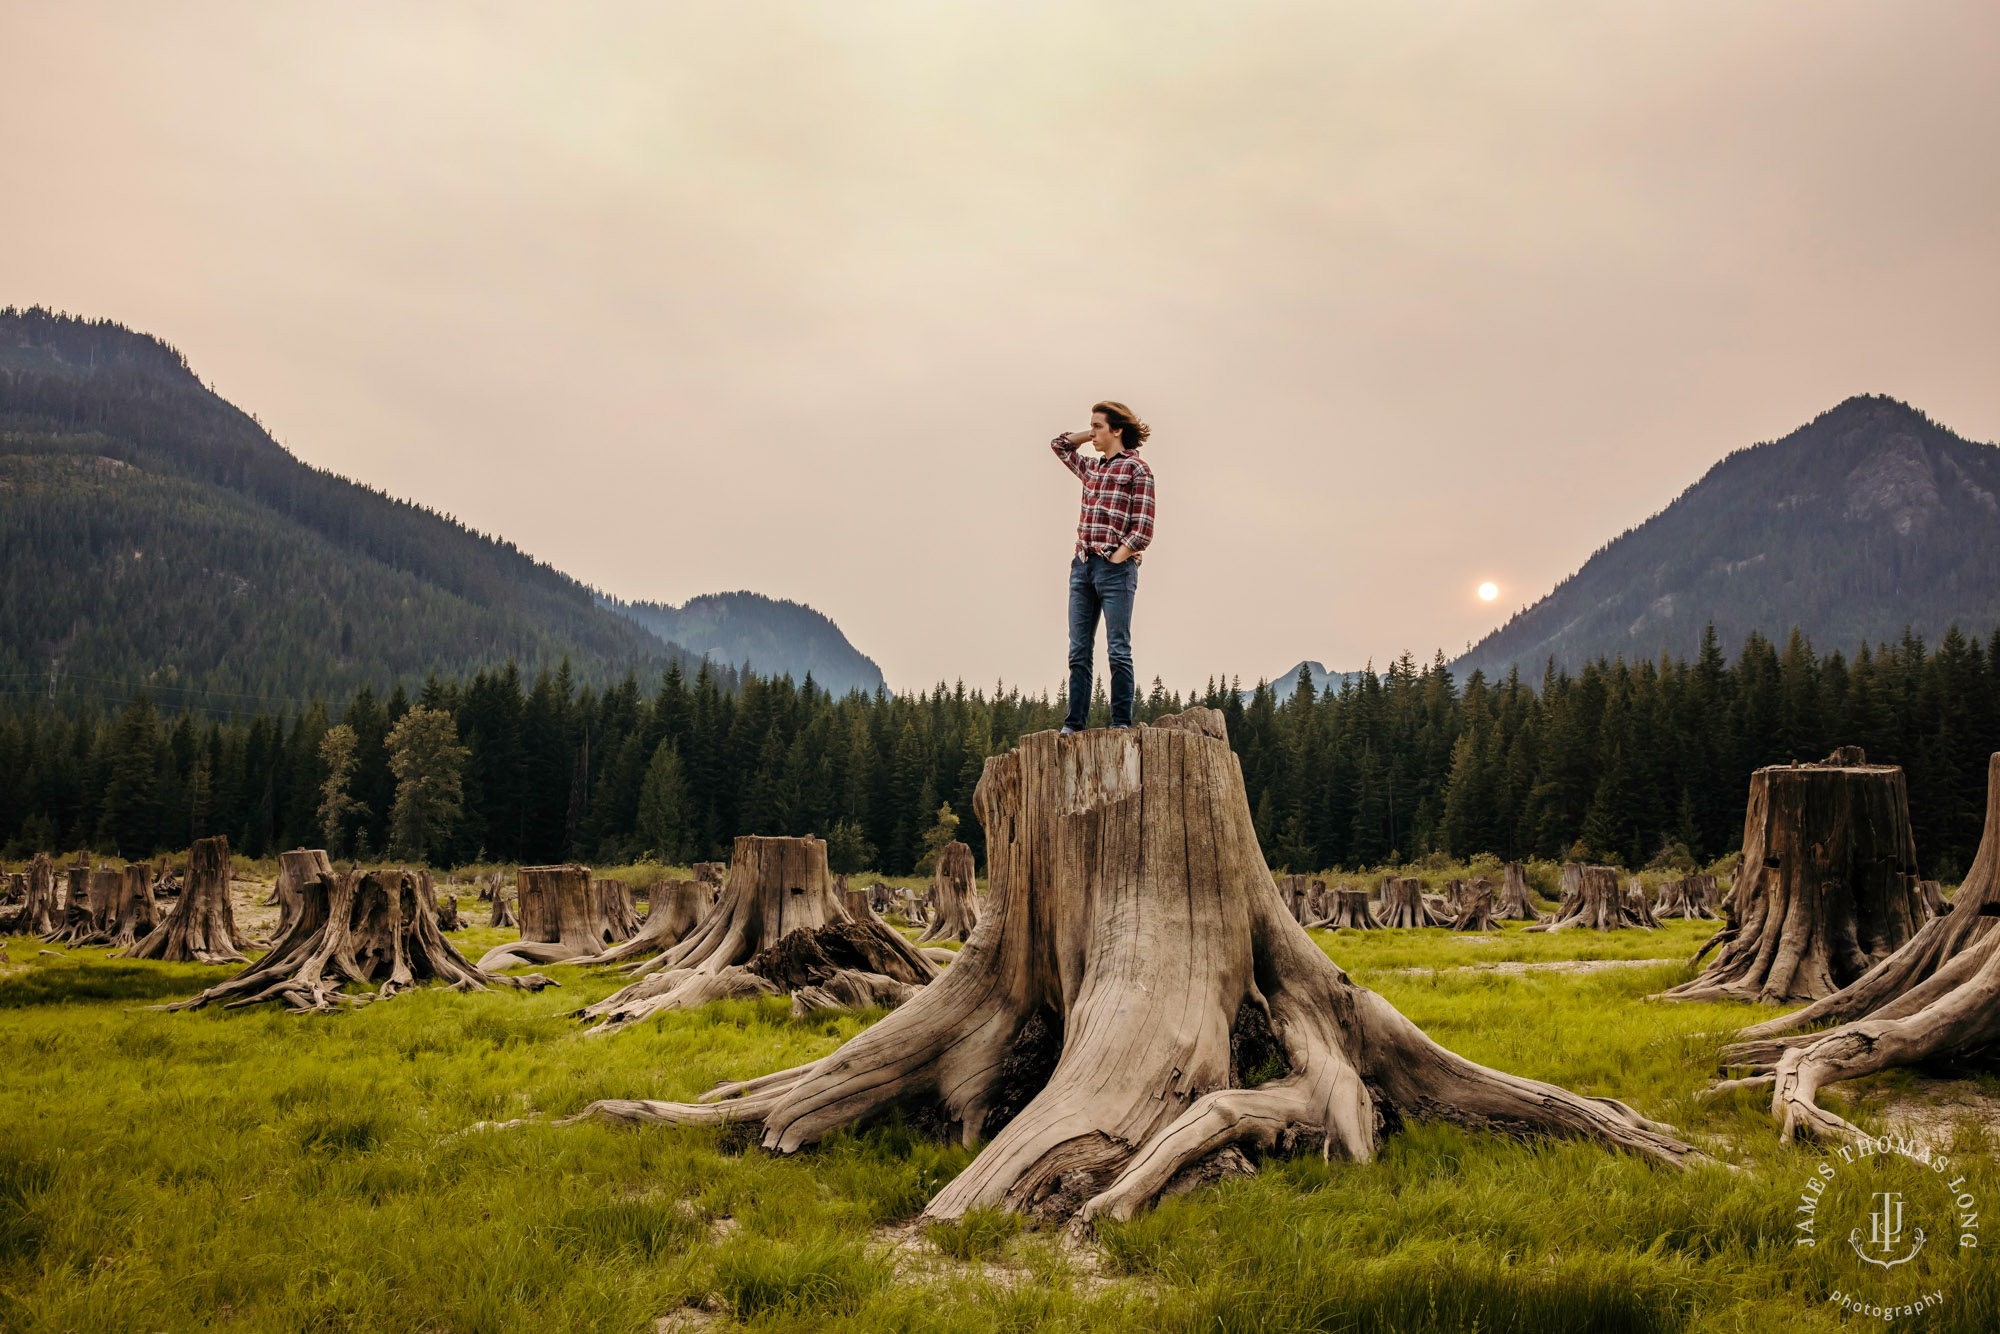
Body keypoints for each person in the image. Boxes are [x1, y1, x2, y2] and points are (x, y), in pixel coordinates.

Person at [1050, 401, 1155, 734]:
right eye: (1090, 426)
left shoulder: (1137, 470)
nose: (1092, 433)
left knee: (1118, 648)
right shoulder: (1092, 469)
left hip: (1116, 570)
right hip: (1082, 567)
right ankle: (1073, 725)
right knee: (1078, 650)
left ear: (1117, 430)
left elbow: (1143, 529)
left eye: (1098, 426)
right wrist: (1091, 432)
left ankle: (1121, 723)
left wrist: (1117, 557)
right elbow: (1060, 445)